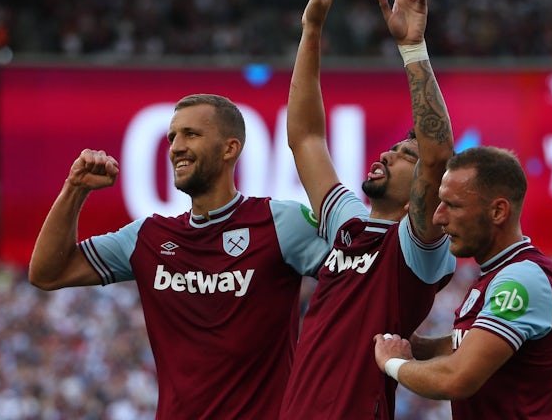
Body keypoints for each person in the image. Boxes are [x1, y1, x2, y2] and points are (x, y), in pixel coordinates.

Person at [28, 94, 331, 419]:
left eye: (191, 134)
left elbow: (358, 278)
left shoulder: (280, 222)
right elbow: (48, 273)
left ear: (230, 148)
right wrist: (75, 188)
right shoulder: (147, 238)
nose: (176, 147)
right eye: (173, 137)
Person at [279, 0, 456, 419]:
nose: (388, 154)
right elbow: (306, 139)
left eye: (406, 156)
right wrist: (312, 27)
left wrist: (413, 48)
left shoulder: (417, 248)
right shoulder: (348, 226)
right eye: (394, 148)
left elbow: (437, 155)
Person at [374, 146, 552, 419]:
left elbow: (457, 379)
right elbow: (475, 344)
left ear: (498, 211)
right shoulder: (497, 273)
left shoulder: (521, 279)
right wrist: (420, 346)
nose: (438, 217)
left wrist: (393, 362)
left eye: (453, 205)